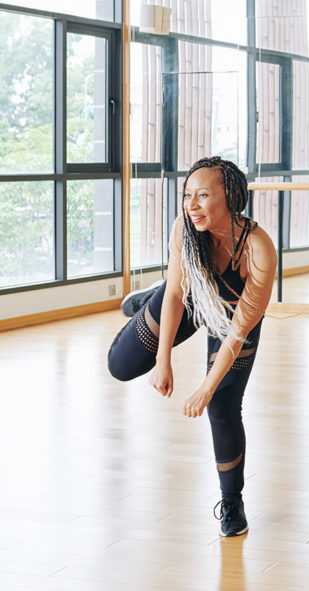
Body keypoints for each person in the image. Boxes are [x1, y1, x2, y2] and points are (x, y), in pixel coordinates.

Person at [107, 157, 277, 537]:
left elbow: (236, 333)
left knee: (221, 404)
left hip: (231, 316)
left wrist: (205, 388)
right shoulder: (185, 227)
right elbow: (176, 295)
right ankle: (148, 295)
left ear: (230, 197)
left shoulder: (258, 250)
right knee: (120, 365)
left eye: (203, 195)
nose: (191, 204)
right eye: (187, 196)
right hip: (188, 298)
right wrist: (163, 359)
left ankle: (232, 502)